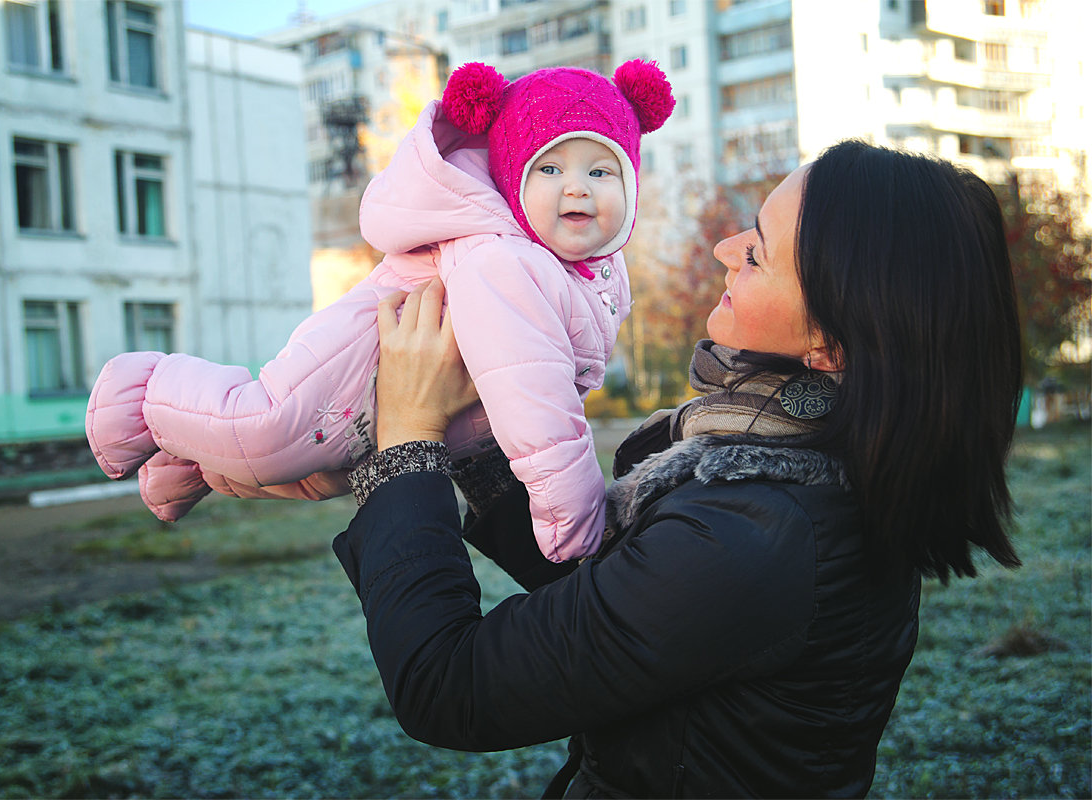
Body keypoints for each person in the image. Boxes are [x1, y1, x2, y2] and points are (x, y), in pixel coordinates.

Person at [332, 139, 1023, 797]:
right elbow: (623, 596)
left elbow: (451, 686)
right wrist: (482, 446)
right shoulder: (808, 465)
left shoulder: (758, 533)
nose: (726, 249)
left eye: (756, 252)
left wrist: (407, 443)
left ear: (831, 345)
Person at [84, 61, 675, 562]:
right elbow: (536, 401)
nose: (578, 189)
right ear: (511, 176)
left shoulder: (593, 269)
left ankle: (188, 465)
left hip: (426, 412)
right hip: (361, 361)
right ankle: (140, 391)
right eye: (550, 169)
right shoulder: (505, 261)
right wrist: (575, 521)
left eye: (601, 171)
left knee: (314, 476)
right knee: (264, 430)